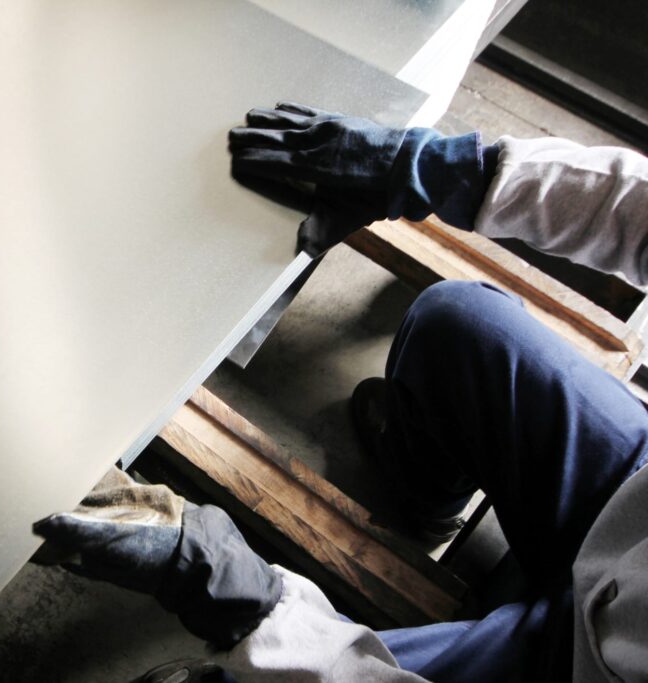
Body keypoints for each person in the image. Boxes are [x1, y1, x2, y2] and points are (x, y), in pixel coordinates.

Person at [33, 103, 648, 682]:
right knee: (456, 323)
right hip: (632, 508)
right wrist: (450, 170)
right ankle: (425, 506)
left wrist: (242, 602)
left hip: (578, 666)